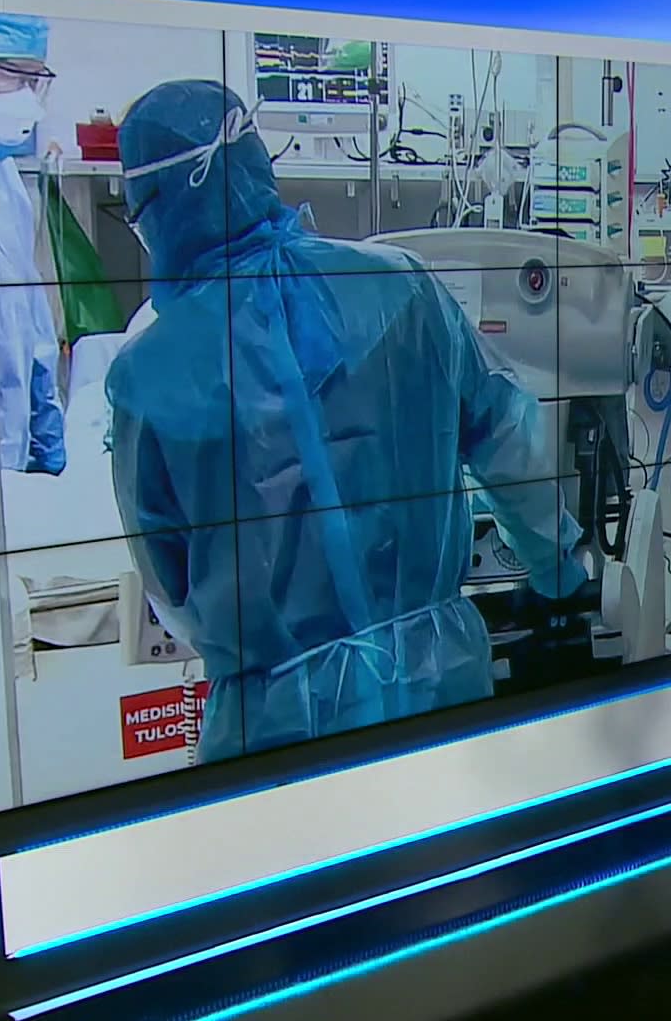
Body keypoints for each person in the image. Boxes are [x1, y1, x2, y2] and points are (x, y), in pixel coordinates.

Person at [106, 79, 589, 762]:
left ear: (161, 205)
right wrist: (557, 569)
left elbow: (172, 583)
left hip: (278, 730)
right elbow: (507, 437)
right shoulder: (402, 287)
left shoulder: (149, 375)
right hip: (439, 688)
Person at [0, 12, 67, 476]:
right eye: (19, 78)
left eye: (37, 81)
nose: (29, 99)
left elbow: (31, 323)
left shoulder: (5, 180)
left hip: (12, 454)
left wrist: (47, 432)